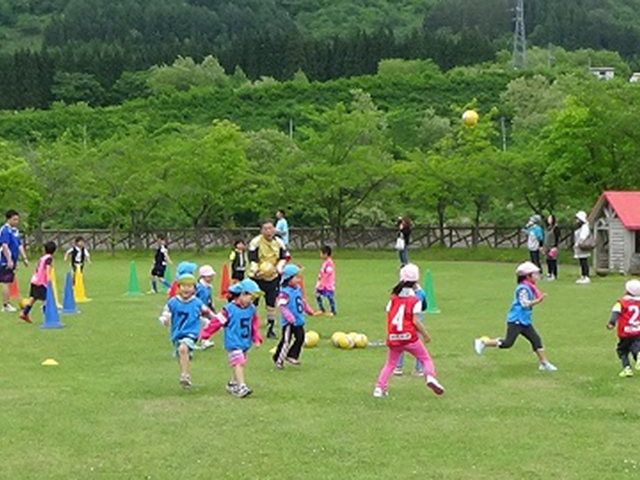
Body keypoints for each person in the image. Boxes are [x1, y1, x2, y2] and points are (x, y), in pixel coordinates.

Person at [373, 263, 445, 398]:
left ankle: (379, 387)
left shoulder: (393, 299)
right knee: (425, 359)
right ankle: (430, 377)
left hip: (394, 337)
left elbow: (390, 315)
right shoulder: (415, 300)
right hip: (409, 338)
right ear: (416, 281)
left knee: (390, 364)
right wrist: (426, 335)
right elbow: (415, 321)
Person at [473, 261, 558, 371]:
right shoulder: (523, 288)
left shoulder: (530, 287)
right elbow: (524, 303)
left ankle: (544, 363)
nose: (538, 276)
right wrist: (538, 301)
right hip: (516, 320)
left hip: (524, 320)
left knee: (536, 340)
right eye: (535, 274)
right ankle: (483, 342)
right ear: (527, 276)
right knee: (508, 343)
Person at [200, 279, 263, 398]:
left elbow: (254, 324)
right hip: (233, 342)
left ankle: (232, 383)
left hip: (244, 341)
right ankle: (242, 387)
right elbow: (216, 322)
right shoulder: (229, 310)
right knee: (239, 362)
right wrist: (205, 334)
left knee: (241, 363)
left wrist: (256, 337)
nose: (252, 300)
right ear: (242, 294)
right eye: (251, 296)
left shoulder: (251, 309)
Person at [158, 273, 215, 389]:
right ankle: (185, 374)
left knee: (183, 348)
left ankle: (185, 375)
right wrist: (164, 319)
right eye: (183, 286)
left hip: (191, 333)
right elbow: (166, 312)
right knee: (181, 353)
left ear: (194, 289)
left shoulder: (197, 303)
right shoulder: (173, 302)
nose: (186, 289)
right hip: (176, 333)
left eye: (189, 286)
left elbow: (208, 313)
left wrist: (217, 320)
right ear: (179, 288)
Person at [248, 220, 287, 339]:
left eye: (270, 228)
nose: (268, 231)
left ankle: (271, 329)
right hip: (257, 278)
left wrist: (278, 268)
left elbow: (284, 257)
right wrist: (255, 271)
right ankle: (249, 328)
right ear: (261, 230)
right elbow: (252, 259)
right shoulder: (255, 242)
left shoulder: (279, 242)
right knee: (251, 303)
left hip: (273, 277)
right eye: (265, 229)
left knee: (271, 304)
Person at [273, 265, 315, 369]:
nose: (298, 280)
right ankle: (278, 359)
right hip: (289, 322)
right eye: (296, 277)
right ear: (288, 279)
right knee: (286, 341)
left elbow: (301, 301)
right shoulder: (285, 292)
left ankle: (292, 355)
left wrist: (308, 309)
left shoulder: (298, 289)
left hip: (299, 319)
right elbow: (281, 306)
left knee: (300, 337)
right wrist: (288, 316)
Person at [606, 279, 640, 377]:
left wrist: (611, 323)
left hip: (625, 331)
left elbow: (615, 313)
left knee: (622, 350)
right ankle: (638, 355)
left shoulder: (622, 303)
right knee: (636, 345)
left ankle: (627, 368)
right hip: (638, 330)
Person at [393, 283, 427, 376]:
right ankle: (418, 368)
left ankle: (398, 367)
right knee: (417, 342)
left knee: (400, 341)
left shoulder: (400, 290)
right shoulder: (420, 292)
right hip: (414, 318)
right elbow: (424, 306)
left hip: (403, 321)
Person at [19, 241, 56, 324]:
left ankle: (24, 313)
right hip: (41, 282)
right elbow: (47, 269)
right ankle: (48, 318)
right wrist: (48, 279)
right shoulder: (49, 258)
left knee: (33, 298)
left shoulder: (42, 257)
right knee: (45, 299)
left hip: (35, 280)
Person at [0, 209, 29, 312]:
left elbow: (19, 245)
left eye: (17, 219)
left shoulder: (15, 231)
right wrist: (9, 260)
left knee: (9, 281)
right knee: (5, 282)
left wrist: (24, 258)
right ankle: (6, 305)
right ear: (9, 219)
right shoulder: (5, 230)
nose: (16, 222)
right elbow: (4, 246)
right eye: (14, 219)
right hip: (4, 260)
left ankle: (7, 304)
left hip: (13, 260)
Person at [314, 245, 337, 317]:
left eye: (321, 253)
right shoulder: (325, 262)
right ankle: (321, 309)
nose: (320, 255)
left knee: (330, 297)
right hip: (322, 283)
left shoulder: (329, 262)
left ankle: (333, 311)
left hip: (327, 284)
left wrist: (322, 281)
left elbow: (328, 273)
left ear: (326, 254)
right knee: (317, 295)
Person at [573, 211, 592, 284]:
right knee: (582, 261)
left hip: (582, 246)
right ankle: (583, 275)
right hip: (580, 246)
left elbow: (582, 237)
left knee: (584, 261)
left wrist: (578, 244)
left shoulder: (585, 227)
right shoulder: (581, 227)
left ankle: (586, 276)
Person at [543, 215, 560, 281]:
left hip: (552, 246)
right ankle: (549, 273)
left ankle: (554, 274)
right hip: (547, 246)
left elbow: (557, 238)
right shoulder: (548, 228)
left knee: (553, 260)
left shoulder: (555, 228)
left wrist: (555, 246)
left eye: (550, 218)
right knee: (548, 260)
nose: (549, 220)